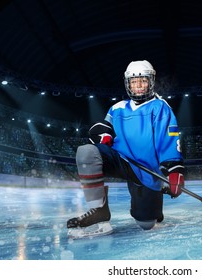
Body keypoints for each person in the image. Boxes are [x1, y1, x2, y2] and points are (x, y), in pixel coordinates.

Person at [67, 60, 185, 239]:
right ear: (128, 84)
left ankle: (154, 203)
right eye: (133, 82)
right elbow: (104, 128)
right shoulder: (117, 108)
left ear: (150, 82)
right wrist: (103, 134)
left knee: (146, 223)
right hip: (121, 160)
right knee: (87, 152)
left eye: (143, 81)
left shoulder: (160, 107)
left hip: (146, 169)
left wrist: (174, 169)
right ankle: (99, 211)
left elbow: (168, 138)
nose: (138, 86)